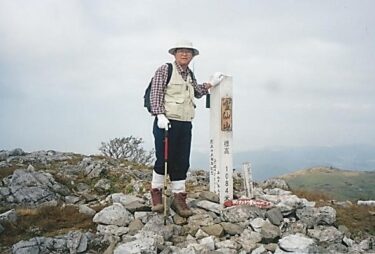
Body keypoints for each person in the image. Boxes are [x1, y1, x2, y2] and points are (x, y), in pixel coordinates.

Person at [149, 40, 223, 217]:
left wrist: (211, 84)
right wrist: (159, 115)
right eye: (181, 51)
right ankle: (156, 193)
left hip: (185, 122)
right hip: (166, 122)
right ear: (174, 54)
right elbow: (156, 93)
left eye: (188, 52)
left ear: (192, 56)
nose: (185, 54)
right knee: (164, 159)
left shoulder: (189, 74)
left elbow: (196, 92)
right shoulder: (165, 70)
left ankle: (179, 197)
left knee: (182, 160)